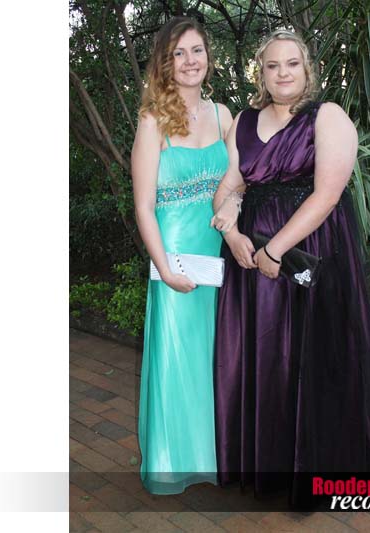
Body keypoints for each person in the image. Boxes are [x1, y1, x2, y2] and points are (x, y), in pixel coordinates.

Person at [210, 29, 370, 501]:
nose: (282, 73)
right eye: (272, 66)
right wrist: (232, 234)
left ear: (307, 69)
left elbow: (327, 195)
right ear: (260, 73)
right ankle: (267, 467)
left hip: (309, 253)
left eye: (291, 64)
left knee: (311, 356)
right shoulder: (244, 120)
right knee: (263, 358)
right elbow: (231, 186)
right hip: (248, 258)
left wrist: (275, 251)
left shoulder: (328, 117)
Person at [131, 16, 232, 495]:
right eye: (179, 53)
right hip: (172, 256)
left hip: (217, 252)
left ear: (208, 56)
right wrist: (165, 268)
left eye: (197, 51)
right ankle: (173, 463)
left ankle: (215, 457)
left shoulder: (224, 115)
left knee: (217, 354)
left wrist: (233, 206)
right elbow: (144, 206)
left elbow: (239, 182)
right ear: (165, 63)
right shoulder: (152, 121)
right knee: (177, 356)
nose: (190, 61)